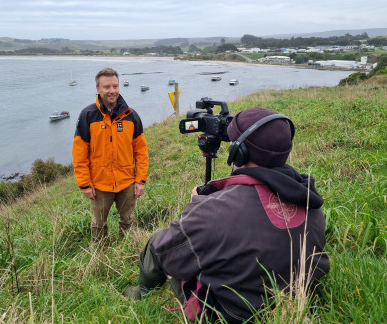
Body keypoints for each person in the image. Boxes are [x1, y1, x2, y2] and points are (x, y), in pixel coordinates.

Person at [124, 107, 329, 323]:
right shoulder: (309, 199)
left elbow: (167, 251)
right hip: (296, 300)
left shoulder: (212, 212)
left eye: (232, 141)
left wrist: (196, 207)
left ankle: (143, 292)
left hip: (231, 315)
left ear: (239, 152)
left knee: (159, 239)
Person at [72, 67, 149, 240]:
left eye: (115, 86)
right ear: (98, 89)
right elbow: (79, 154)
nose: (112, 91)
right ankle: (99, 259)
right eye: (107, 87)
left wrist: (141, 180)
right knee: (98, 225)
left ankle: (127, 252)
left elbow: (141, 152)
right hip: (99, 185)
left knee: (128, 221)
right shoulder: (88, 115)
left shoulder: (131, 115)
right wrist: (84, 184)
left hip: (127, 182)